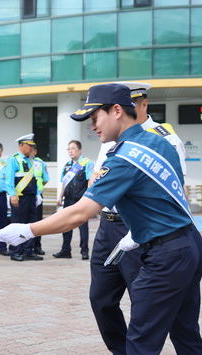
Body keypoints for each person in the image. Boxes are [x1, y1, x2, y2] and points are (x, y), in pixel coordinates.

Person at [0, 83, 202, 354]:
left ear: (117, 111)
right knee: (186, 333)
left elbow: (80, 213)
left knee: (142, 342)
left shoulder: (123, 157)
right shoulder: (158, 142)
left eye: (95, 118)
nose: (92, 126)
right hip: (188, 243)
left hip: (164, 256)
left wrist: (28, 230)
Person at [88, 82, 188, 354]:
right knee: (101, 299)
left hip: (138, 231)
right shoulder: (111, 137)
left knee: (147, 303)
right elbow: (97, 179)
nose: (95, 125)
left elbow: (174, 189)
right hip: (107, 228)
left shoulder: (163, 138)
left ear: (140, 104)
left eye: (136, 101)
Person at [5, 134, 43, 262]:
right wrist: (12, 195)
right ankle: (16, 251)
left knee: (30, 225)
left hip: (31, 197)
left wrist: (37, 194)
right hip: (19, 198)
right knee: (18, 224)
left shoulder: (30, 160)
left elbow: (34, 179)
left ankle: (28, 251)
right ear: (21, 145)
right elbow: (9, 179)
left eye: (33, 146)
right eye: (29, 146)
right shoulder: (13, 160)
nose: (32, 148)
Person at [53, 140, 94, 260]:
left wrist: (88, 198)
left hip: (81, 200)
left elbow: (90, 182)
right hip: (68, 200)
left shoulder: (87, 163)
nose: (70, 151)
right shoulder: (67, 165)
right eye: (69, 149)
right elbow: (64, 183)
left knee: (83, 226)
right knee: (66, 225)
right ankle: (65, 250)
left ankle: (84, 251)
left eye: (73, 148)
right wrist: (60, 197)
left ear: (80, 150)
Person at [30, 146, 49, 256]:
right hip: (26, 195)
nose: (31, 152)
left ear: (36, 151)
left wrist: (39, 189)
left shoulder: (40, 163)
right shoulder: (22, 162)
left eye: (33, 150)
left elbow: (45, 179)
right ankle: (27, 246)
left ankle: (37, 246)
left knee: (38, 221)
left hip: (38, 196)